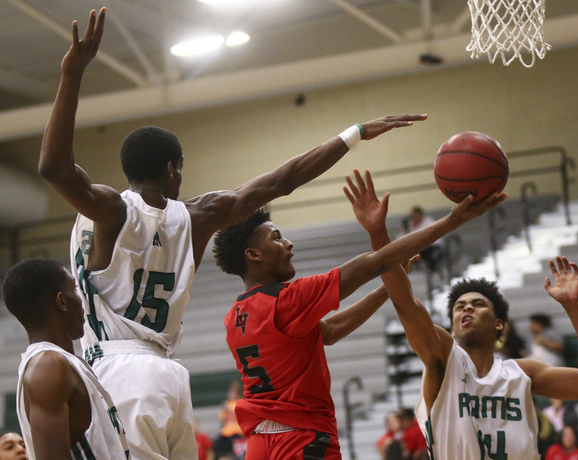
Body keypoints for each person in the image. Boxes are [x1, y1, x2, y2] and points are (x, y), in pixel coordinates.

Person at [38, 7, 428, 459]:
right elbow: (282, 179)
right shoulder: (201, 214)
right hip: (166, 372)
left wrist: (72, 76)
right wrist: (354, 133)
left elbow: (53, 167)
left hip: (116, 369)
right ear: (173, 169)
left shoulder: (108, 210)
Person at [213, 170, 504, 459]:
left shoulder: (235, 316)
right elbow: (375, 261)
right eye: (276, 237)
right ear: (253, 255)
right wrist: (453, 220)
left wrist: (385, 290)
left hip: (260, 444)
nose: (289, 243)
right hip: (301, 438)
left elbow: (328, 332)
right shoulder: (287, 299)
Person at [347, 171, 578, 460]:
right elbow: (405, 303)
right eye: (459, 306)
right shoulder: (442, 360)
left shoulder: (523, 373)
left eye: (478, 304)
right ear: (451, 326)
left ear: (499, 324)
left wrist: (574, 308)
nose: (467, 308)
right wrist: (378, 233)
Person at [2, 258, 129, 459]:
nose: (81, 300)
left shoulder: (63, 363)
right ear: (61, 301)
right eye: (75, 290)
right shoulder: (49, 365)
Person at [214, 381, 247, 460]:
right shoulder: (227, 403)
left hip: (238, 432)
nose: (231, 393)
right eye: (231, 391)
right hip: (227, 433)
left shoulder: (242, 403)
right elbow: (222, 418)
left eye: (233, 391)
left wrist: (229, 410)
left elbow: (240, 417)